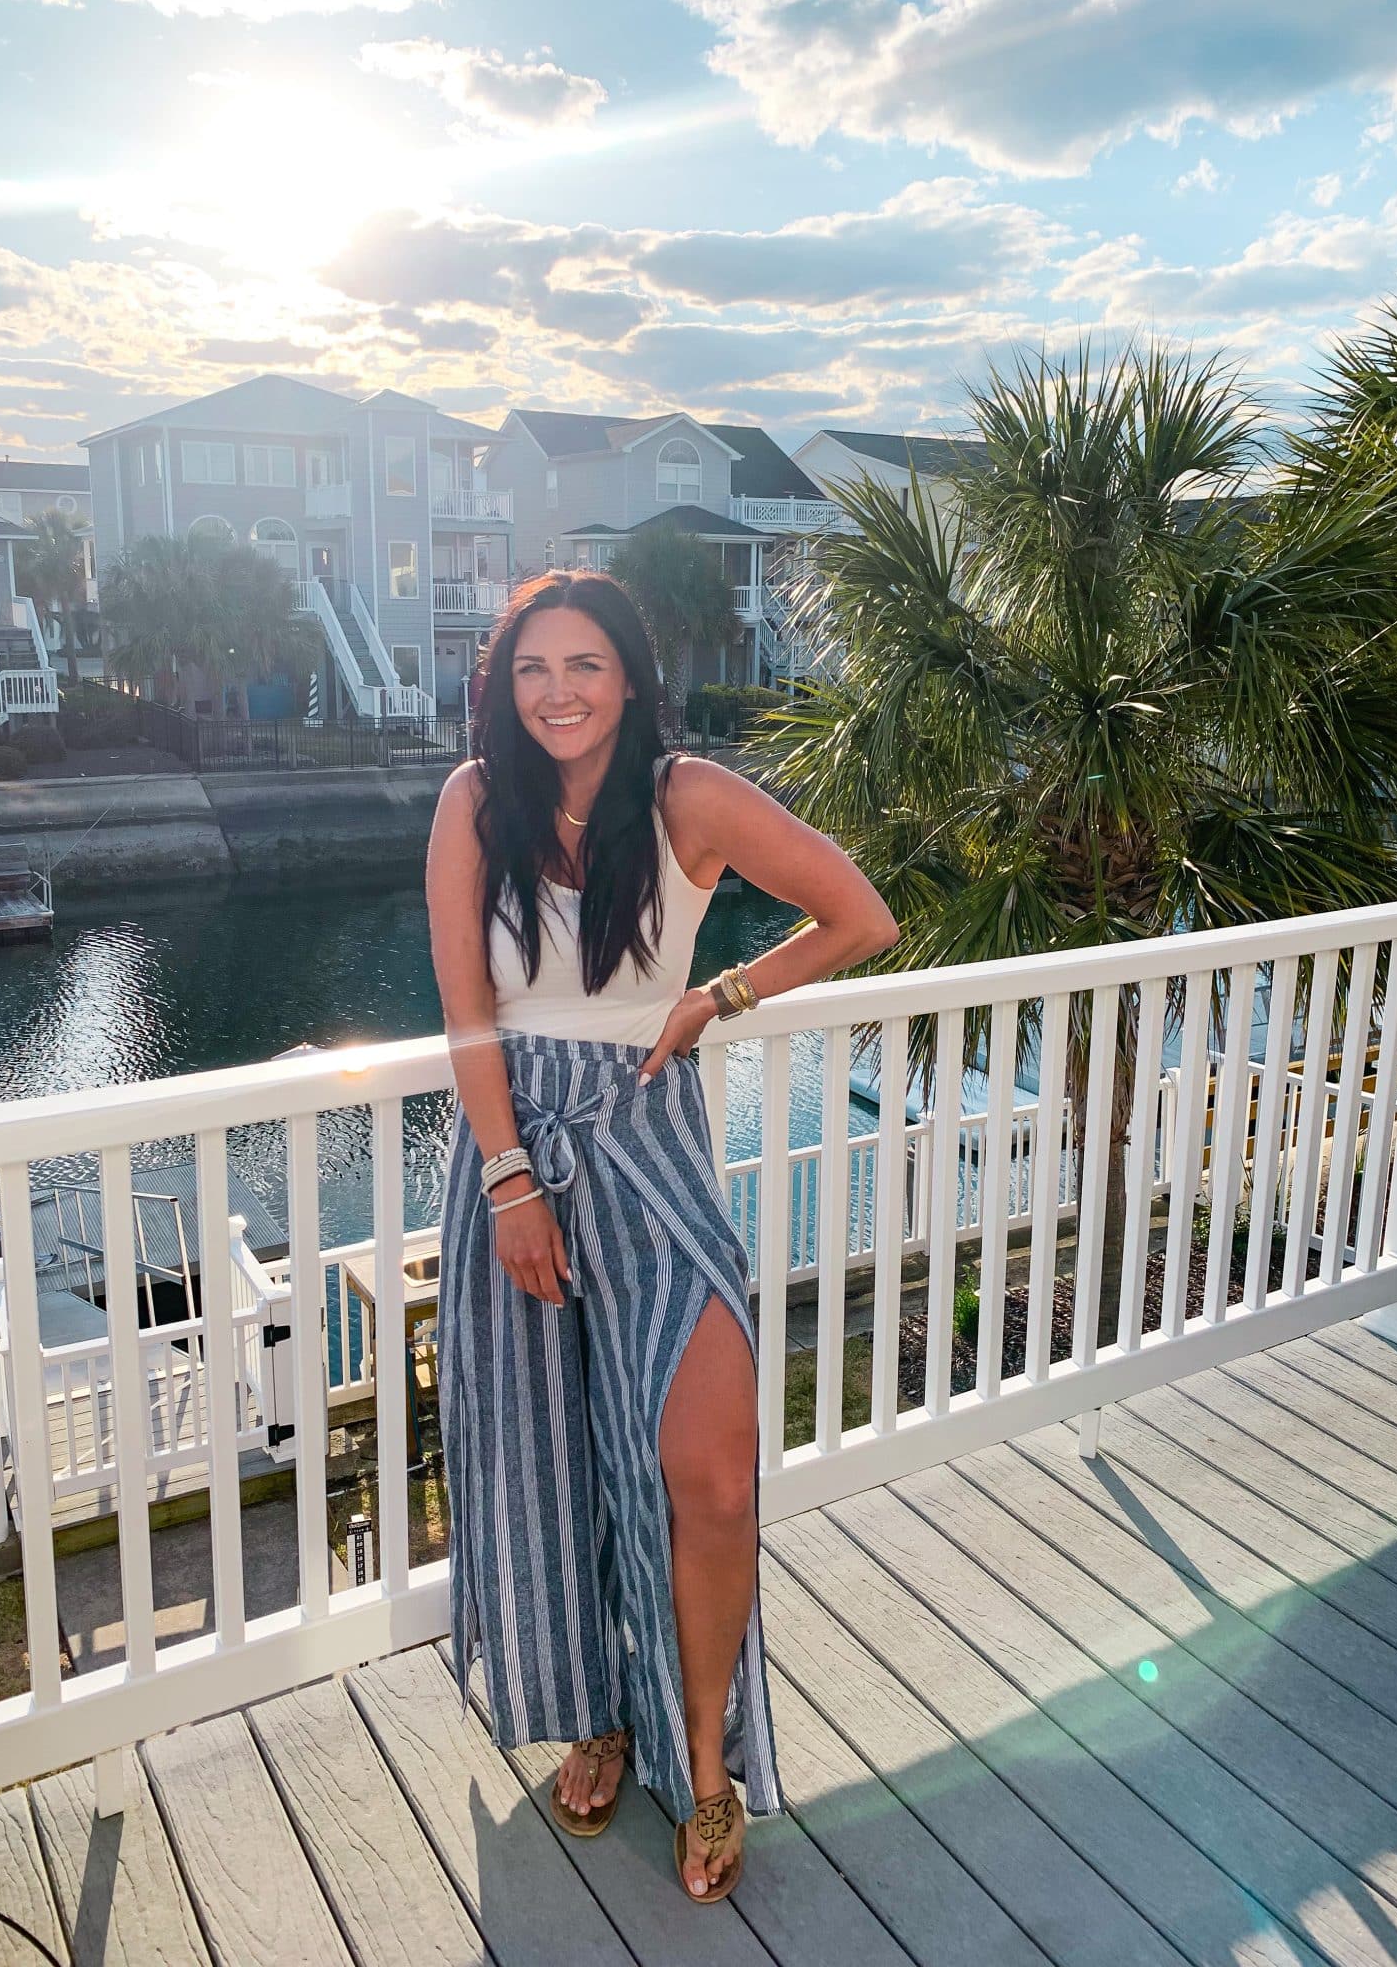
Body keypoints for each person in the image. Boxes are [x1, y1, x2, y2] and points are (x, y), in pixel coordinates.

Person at [425, 570, 898, 1903]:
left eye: (584, 664)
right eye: (532, 669)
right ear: (501, 686)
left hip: (648, 1146)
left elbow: (860, 913)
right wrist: (512, 1184)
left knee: (712, 1475)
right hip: (515, 1155)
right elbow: (467, 1013)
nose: (558, 690)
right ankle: (599, 1710)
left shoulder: (689, 797)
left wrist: (717, 996)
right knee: (552, 1454)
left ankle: (707, 1762)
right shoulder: (474, 804)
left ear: (630, 676)